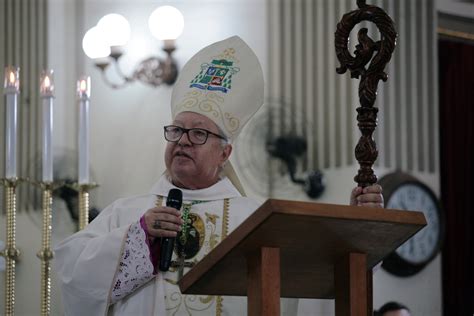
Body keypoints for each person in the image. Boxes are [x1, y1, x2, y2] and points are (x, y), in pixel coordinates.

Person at [55, 36, 383, 316]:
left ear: (225, 154)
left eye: (198, 134)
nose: (183, 140)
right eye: (176, 131)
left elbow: (318, 278)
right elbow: (71, 276)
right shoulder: (127, 213)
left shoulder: (257, 220)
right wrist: (138, 240)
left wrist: (358, 226)